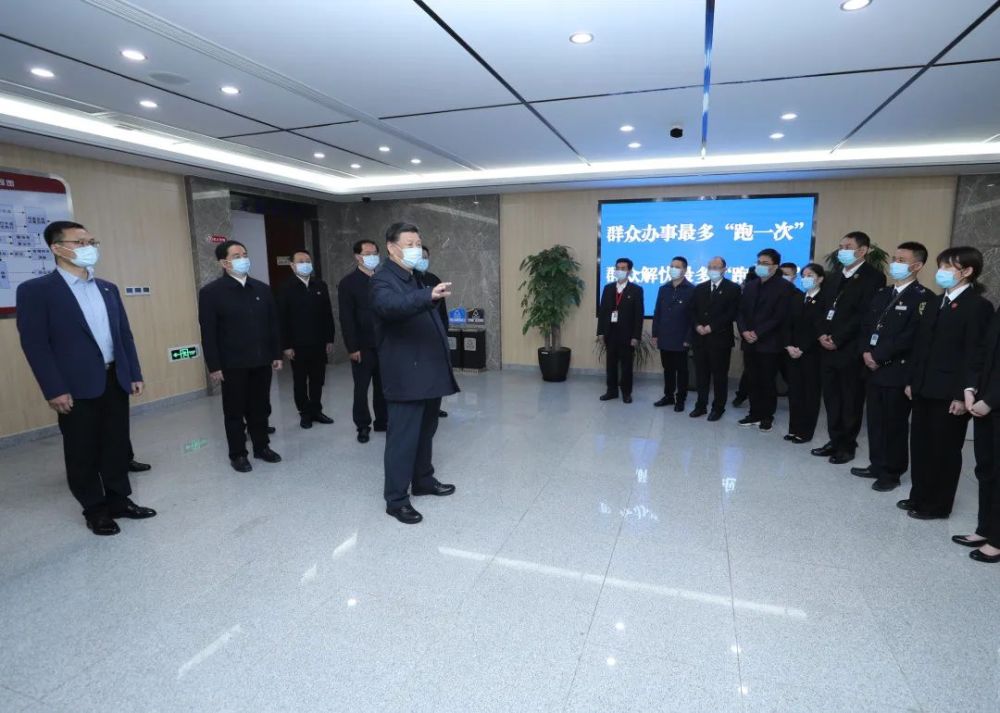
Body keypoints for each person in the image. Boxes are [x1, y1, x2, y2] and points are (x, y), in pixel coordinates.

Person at [16, 221, 155, 535]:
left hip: (114, 378)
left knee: (116, 445)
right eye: (80, 242)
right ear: (57, 248)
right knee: (82, 451)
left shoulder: (107, 288)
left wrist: (133, 372)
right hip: (74, 386)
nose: (89, 247)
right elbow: (35, 345)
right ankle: (95, 510)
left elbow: (124, 335)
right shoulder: (36, 291)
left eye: (92, 241)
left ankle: (120, 500)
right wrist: (54, 389)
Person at [371, 222, 458, 524]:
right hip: (406, 374)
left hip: (428, 370)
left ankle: (423, 480)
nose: (416, 249)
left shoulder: (414, 276)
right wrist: (427, 297)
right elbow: (390, 306)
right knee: (403, 438)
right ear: (391, 247)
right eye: (409, 244)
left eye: (418, 243)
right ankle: (396, 499)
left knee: (426, 431)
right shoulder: (383, 279)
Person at [899, 247, 993, 521]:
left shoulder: (978, 306)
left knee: (944, 450)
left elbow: (975, 354)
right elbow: (920, 346)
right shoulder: (935, 302)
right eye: (941, 266)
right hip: (923, 386)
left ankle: (937, 505)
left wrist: (962, 394)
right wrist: (912, 381)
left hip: (950, 393)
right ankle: (919, 495)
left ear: (967, 271)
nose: (941, 272)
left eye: (948, 267)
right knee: (920, 445)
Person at [851, 243, 931, 492]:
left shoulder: (923, 298)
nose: (894, 263)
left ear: (917, 265)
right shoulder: (883, 293)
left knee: (894, 424)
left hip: (896, 370)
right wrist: (866, 351)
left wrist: (878, 355)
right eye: (894, 258)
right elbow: (866, 325)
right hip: (872, 368)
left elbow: (910, 336)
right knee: (875, 421)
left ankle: (892, 472)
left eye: (901, 260)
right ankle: (877, 464)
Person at [198, 239, 283, 473]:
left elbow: (273, 324)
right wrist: (214, 365)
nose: (243, 259)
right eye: (236, 256)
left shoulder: (262, 289)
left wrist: (276, 353)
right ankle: (238, 454)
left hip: (261, 360)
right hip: (232, 364)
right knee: (234, 411)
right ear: (223, 263)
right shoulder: (211, 293)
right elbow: (208, 332)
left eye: (244, 254)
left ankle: (262, 447)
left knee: (260, 408)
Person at [812, 231, 886, 465]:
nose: (841, 250)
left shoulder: (874, 277)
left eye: (847, 246)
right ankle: (834, 440)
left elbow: (865, 315)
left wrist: (838, 338)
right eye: (841, 246)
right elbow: (822, 308)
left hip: (850, 349)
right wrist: (822, 334)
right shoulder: (834, 276)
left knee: (850, 400)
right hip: (826, 348)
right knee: (831, 398)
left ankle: (847, 445)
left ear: (862, 250)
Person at [277, 249, 336, 430]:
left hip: (319, 342)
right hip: (298, 345)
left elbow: (328, 314)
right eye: (301, 261)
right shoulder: (286, 288)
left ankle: (316, 410)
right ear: (292, 265)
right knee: (300, 381)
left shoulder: (320, 285)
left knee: (318, 379)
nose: (305, 264)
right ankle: (304, 412)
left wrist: (329, 339)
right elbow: (282, 319)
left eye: (307, 261)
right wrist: (286, 345)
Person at [737, 248, 793, 432]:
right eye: (759, 262)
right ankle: (754, 413)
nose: (760, 266)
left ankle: (767, 416)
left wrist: (758, 333)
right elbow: (741, 311)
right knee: (752, 379)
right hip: (748, 341)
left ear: (775, 266)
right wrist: (744, 331)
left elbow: (780, 316)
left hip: (769, 342)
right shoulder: (751, 285)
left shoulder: (784, 287)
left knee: (767, 381)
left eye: (765, 263)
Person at [338, 239, 388, 443]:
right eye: (367, 254)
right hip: (362, 346)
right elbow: (346, 317)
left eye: (375, 253)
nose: (372, 257)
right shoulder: (348, 283)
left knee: (383, 387)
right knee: (361, 388)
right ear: (357, 257)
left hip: (384, 343)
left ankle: (382, 421)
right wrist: (352, 347)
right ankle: (362, 425)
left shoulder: (383, 279)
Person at [962, 304, 1000, 563]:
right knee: (986, 469)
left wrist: (991, 400)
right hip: (983, 401)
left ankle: (997, 540)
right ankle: (985, 528)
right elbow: (984, 350)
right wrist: (970, 387)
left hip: (993, 402)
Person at [690, 256, 740, 420]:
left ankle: (718, 408)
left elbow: (732, 313)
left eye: (716, 267)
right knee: (701, 375)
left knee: (719, 376)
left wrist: (712, 327)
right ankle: (701, 405)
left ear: (724, 269)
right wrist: (697, 325)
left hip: (720, 340)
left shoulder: (733, 288)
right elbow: (692, 311)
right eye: (710, 267)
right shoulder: (700, 288)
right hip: (700, 339)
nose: (713, 270)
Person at [783, 263, 827, 443]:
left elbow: (819, 328)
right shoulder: (797, 298)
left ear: (820, 279)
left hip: (811, 354)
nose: (806, 278)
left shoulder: (825, 300)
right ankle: (793, 429)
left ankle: (805, 432)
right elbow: (787, 324)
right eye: (804, 275)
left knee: (810, 394)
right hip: (792, 352)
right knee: (794, 393)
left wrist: (802, 348)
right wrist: (788, 345)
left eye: (810, 275)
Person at [597, 258, 645, 403]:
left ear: (629, 271)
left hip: (627, 335)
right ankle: (611, 391)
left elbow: (639, 315)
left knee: (626, 366)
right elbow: (603, 312)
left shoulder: (636, 290)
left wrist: (636, 336)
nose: (619, 271)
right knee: (610, 364)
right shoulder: (608, 288)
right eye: (617, 268)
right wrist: (600, 332)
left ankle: (626, 393)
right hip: (610, 333)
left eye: (623, 268)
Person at [652, 256, 695, 412]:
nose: (673, 269)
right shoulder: (664, 288)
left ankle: (680, 399)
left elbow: (693, 318)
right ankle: (668, 396)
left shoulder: (691, 290)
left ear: (684, 270)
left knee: (682, 370)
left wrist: (688, 338)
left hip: (681, 339)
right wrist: (655, 334)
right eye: (671, 266)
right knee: (668, 369)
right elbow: (657, 312)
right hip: (664, 337)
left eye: (677, 266)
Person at [416, 245, 449, 418]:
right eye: (419, 256)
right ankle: (421, 408)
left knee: (436, 375)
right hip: (417, 338)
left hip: (435, 336)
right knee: (420, 376)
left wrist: (444, 332)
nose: (423, 260)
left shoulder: (434, 279)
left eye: (425, 257)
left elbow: (442, 310)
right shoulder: (409, 281)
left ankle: (434, 407)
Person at [732, 265, 759, 408]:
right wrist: (744, 331)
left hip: (768, 338)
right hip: (748, 335)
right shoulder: (747, 288)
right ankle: (742, 396)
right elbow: (740, 312)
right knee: (749, 370)